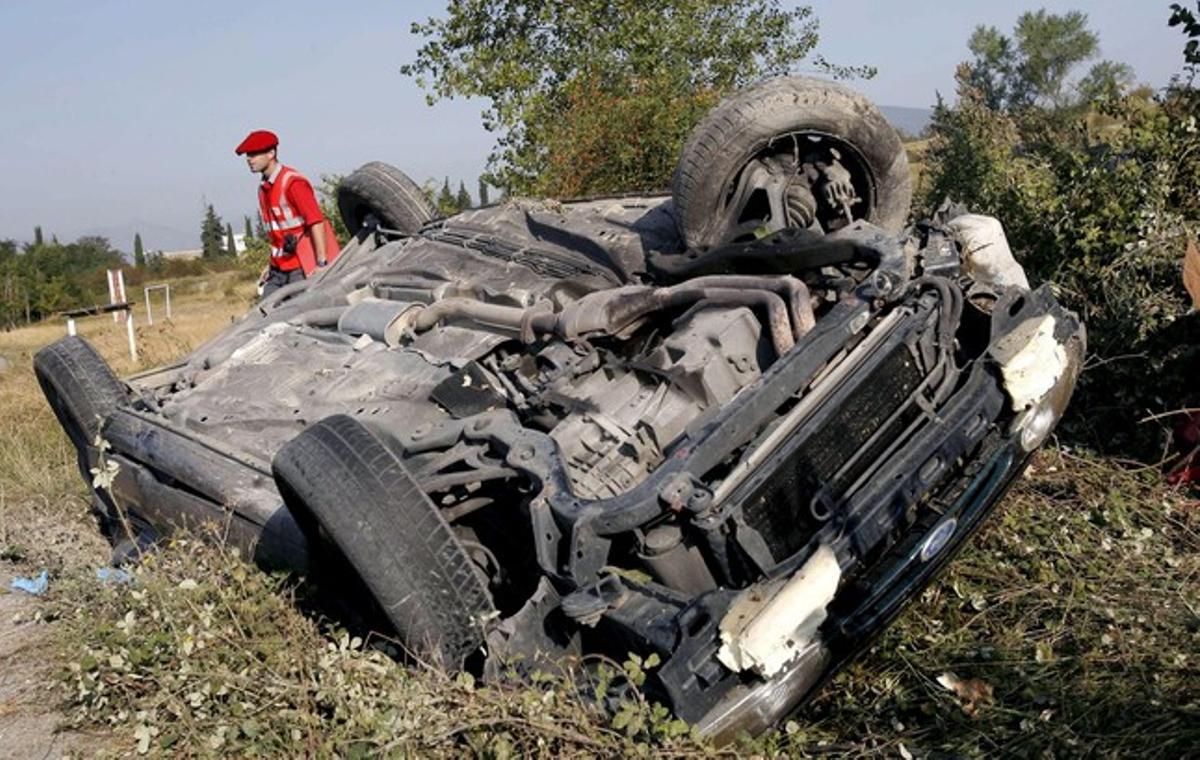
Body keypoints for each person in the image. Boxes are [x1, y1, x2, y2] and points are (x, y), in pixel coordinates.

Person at [234, 130, 339, 298]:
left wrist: (322, 263)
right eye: (248, 155)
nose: (248, 159)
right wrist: (270, 265)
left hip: (301, 269)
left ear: (271, 153)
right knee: (264, 314)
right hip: (278, 271)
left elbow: (316, 222)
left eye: (253, 154)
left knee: (296, 316)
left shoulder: (293, 183)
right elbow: (278, 233)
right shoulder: (263, 188)